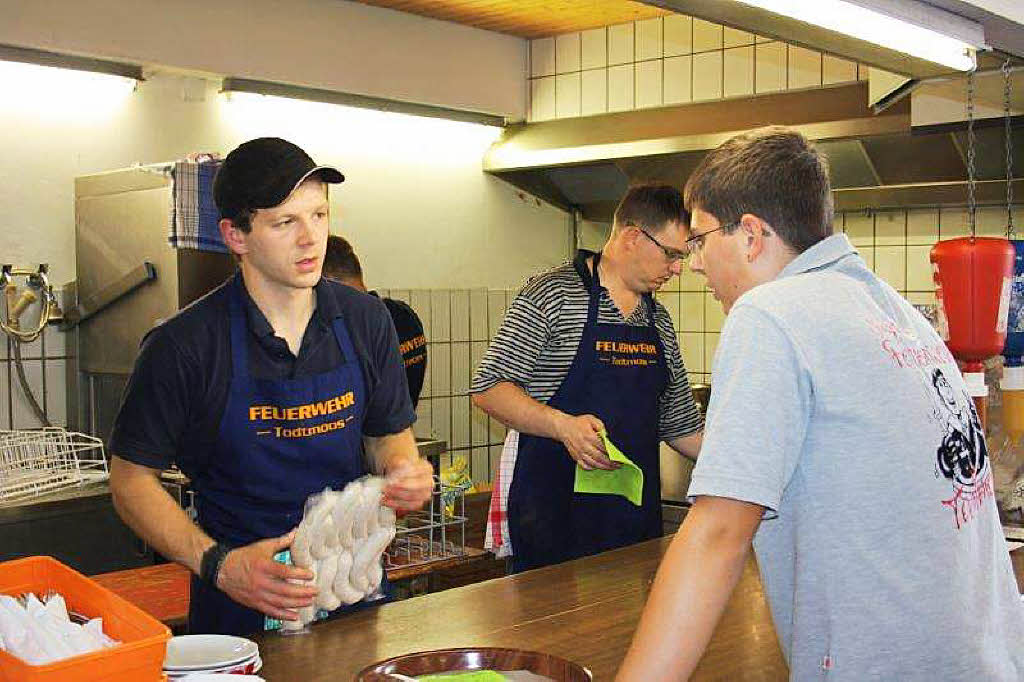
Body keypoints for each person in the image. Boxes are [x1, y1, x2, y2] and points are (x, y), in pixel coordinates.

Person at [617, 127, 1024, 680]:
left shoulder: (771, 314)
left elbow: (717, 534)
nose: (693, 263)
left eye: (700, 240)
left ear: (752, 236)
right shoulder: (896, 313)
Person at [108, 137, 433, 636]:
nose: (311, 239)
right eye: (285, 222)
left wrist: (403, 470)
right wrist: (220, 565)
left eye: (319, 216)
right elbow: (131, 482)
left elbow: (387, 433)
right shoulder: (184, 345)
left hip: (353, 594)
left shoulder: (367, 321)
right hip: (241, 609)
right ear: (236, 236)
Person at [471, 184, 704, 573]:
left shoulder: (657, 321)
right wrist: (563, 426)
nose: (678, 269)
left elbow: (680, 425)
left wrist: (746, 469)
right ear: (633, 236)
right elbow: (489, 387)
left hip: (632, 532)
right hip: (552, 526)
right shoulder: (553, 295)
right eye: (672, 254)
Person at [322, 235, 427, 409]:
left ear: (329, 280)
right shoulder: (406, 316)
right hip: (401, 430)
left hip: (367, 434)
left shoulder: (351, 326)